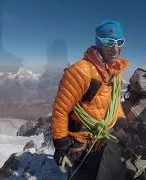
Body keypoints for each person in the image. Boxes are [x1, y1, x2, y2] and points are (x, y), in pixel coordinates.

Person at [51, 20, 131, 179]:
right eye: (109, 42)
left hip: (100, 139)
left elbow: (113, 100)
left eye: (119, 42)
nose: (115, 48)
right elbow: (60, 110)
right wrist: (61, 147)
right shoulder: (80, 71)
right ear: (99, 43)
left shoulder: (116, 72)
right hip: (79, 142)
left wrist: (120, 120)